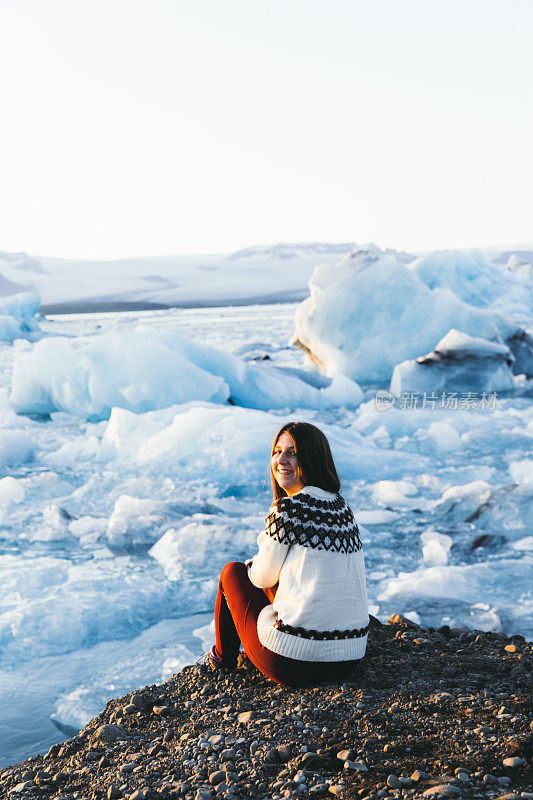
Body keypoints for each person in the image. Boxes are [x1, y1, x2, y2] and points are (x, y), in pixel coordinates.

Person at [208, 421, 369, 687]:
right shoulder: (343, 508)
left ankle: (220, 659)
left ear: (312, 459)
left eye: (292, 453)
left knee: (233, 572)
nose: (281, 460)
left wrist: (254, 560)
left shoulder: (289, 509)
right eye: (277, 451)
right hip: (348, 658)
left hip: (294, 662)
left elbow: (260, 578)